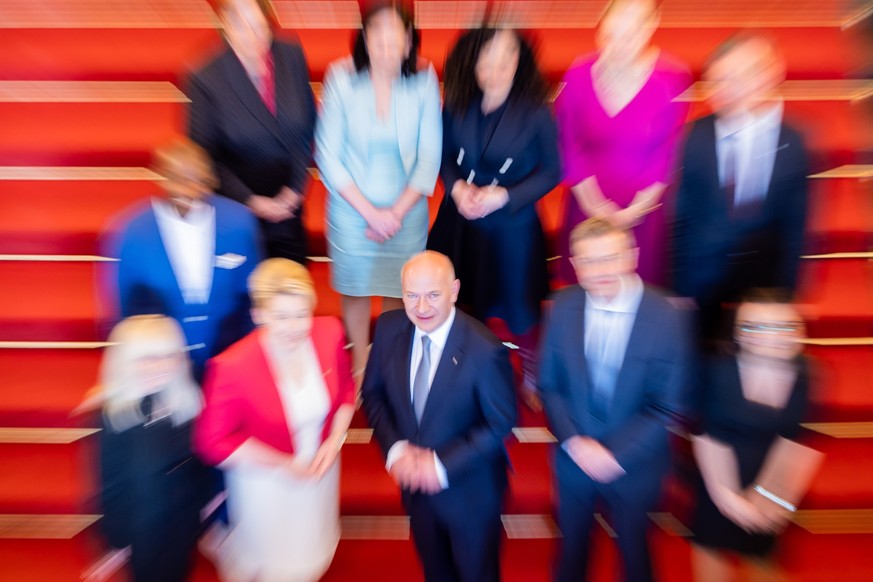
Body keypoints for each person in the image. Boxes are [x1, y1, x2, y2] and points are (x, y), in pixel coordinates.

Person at [538, 218, 691, 582]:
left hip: (636, 465)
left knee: (635, 556)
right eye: (589, 261)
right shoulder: (562, 305)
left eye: (610, 258)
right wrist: (575, 442)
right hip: (573, 461)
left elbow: (670, 404)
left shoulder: (668, 315)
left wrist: (614, 455)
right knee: (571, 553)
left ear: (632, 256)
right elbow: (549, 385)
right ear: (574, 264)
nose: (600, 271)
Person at [194, 258, 355, 581]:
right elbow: (211, 442)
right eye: (280, 316)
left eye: (301, 314)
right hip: (266, 481)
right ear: (258, 314)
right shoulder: (232, 366)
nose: (294, 327)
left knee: (312, 540)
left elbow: (347, 392)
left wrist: (333, 442)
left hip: (321, 469)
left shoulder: (329, 332)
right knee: (273, 557)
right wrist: (283, 464)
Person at [361, 251, 516, 582]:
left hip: (471, 493)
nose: (421, 308)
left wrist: (439, 463)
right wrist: (395, 449)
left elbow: (500, 421)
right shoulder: (388, 329)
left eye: (433, 294)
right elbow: (373, 395)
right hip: (416, 492)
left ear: (455, 290)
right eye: (411, 295)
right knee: (435, 572)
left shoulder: (485, 349)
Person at [427, 27, 561, 410]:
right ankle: (475, 369)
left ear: (520, 61)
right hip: (463, 222)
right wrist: (456, 190)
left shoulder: (536, 110)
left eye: (506, 58)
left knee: (520, 307)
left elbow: (553, 171)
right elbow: (445, 156)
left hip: (512, 226)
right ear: (472, 60)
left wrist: (504, 196)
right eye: (487, 57)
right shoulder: (457, 101)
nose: (495, 67)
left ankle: (532, 369)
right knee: (471, 303)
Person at [315, 0, 442, 380]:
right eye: (377, 34)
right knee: (354, 288)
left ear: (409, 41)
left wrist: (395, 214)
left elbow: (429, 156)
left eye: (395, 34)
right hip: (351, 209)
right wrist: (371, 214)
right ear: (364, 39)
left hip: (407, 210)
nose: (386, 43)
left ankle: (386, 358)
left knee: (396, 286)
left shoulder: (423, 77)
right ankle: (359, 359)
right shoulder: (341, 76)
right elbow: (327, 153)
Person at [672, 33, 810, 347]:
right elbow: (681, 217)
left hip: (763, 289)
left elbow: (796, 229)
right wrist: (680, 289)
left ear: (768, 73)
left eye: (736, 77)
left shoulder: (795, 142)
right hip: (702, 282)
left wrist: (787, 296)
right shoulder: (697, 134)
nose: (726, 89)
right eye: (718, 80)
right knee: (702, 359)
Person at [103, 138, 261, 382]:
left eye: (199, 181)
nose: (189, 190)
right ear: (160, 177)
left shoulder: (240, 222)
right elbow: (121, 310)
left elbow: (255, 297)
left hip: (231, 361)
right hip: (162, 368)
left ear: (212, 180)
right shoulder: (132, 231)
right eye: (178, 179)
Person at [555, 0, 691, 285]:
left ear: (650, 28)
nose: (617, 45)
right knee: (585, 282)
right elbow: (568, 143)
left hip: (643, 208)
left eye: (629, 35)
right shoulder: (578, 74)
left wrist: (636, 210)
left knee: (639, 282)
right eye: (609, 35)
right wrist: (594, 205)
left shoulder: (672, 77)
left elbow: (668, 150)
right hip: (587, 199)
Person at [690, 290, 821, 582]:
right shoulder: (716, 370)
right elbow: (707, 436)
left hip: (773, 485)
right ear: (738, 332)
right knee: (712, 560)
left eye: (780, 326)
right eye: (753, 326)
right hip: (718, 482)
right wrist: (728, 498)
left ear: (797, 329)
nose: (766, 336)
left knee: (763, 562)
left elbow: (798, 442)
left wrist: (772, 500)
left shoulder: (809, 373)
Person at [188, 0, 317, 264]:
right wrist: (252, 201)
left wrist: (294, 189)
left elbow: (307, 125)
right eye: (241, 25)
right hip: (237, 210)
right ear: (224, 24)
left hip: (288, 208)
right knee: (244, 297)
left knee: (291, 289)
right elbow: (204, 158)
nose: (253, 35)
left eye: (259, 26)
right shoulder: (205, 77)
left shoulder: (290, 54)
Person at [98, 315, 207, 582]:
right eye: (145, 358)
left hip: (183, 526)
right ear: (124, 363)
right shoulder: (116, 416)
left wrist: (202, 513)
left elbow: (198, 466)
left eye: (167, 356)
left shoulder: (186, 402)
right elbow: (109, 484)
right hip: (142, 533)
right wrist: (117, 540)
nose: (157, 366)